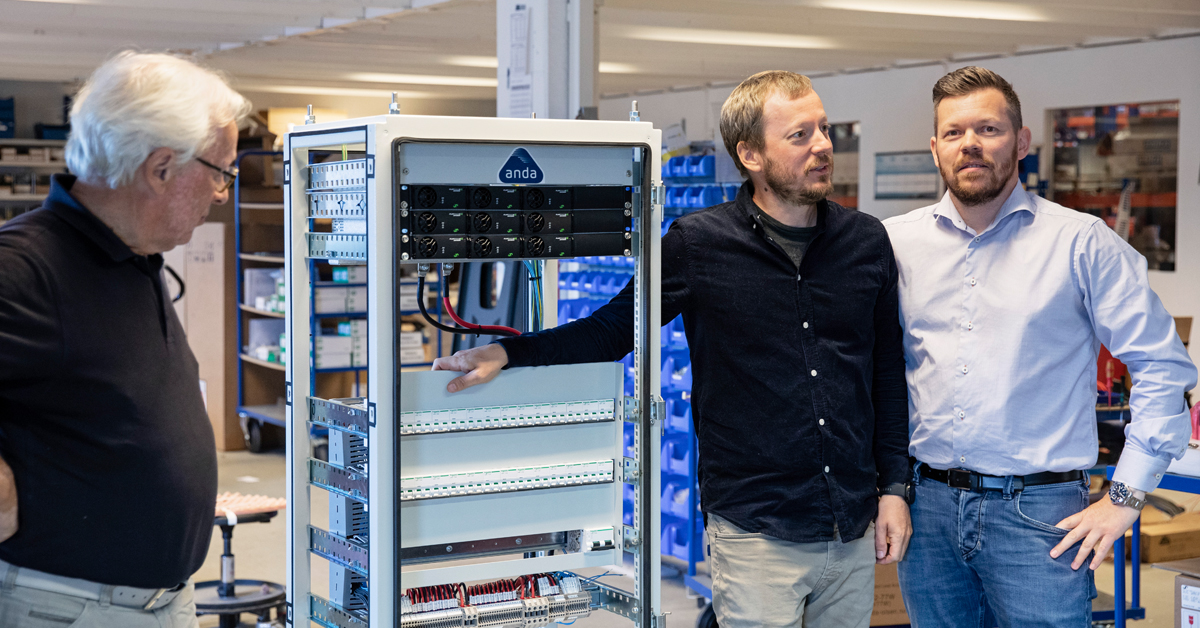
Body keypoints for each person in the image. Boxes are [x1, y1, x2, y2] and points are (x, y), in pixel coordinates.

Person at [434, 71, 912, 628]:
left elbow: (884, 374)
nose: (824, 146)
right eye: (800, 135)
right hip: (757, 528)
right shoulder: (698, 244)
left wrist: (894, 489)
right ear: (751, 154)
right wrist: (511, 354)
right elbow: (613, 329)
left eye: (824, 129)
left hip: (852, 525)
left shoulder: (866, 242)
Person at [884, 66, 1197, 628]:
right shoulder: (897, 243)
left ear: (1022, 141)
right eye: (954, 133)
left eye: (989, 129)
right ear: (935, 149)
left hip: (1039, 517)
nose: (970, 145)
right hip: (926, 512)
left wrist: (1125, 498)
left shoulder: (1080, 243)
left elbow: (1163, 367)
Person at [0, 51, 251, 627]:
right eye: (220, 172)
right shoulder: (26, 267)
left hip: (159, 602)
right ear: (160, 168)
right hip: (69, 606)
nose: (221, 194)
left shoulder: (132, 254)